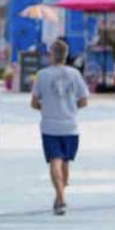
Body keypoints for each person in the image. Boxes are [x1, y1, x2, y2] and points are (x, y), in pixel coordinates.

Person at [32, 38, 89, 216]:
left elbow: (34, 103)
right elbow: (84, 100)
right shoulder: (75, 74)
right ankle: (60, 197)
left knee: (54, 162)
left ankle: (61, 199)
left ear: (50, 55)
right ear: (66, 56)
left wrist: (46, 107)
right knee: (65, 163)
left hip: (50, 127)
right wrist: (71, 108)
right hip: (70, 127)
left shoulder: (42, 75)